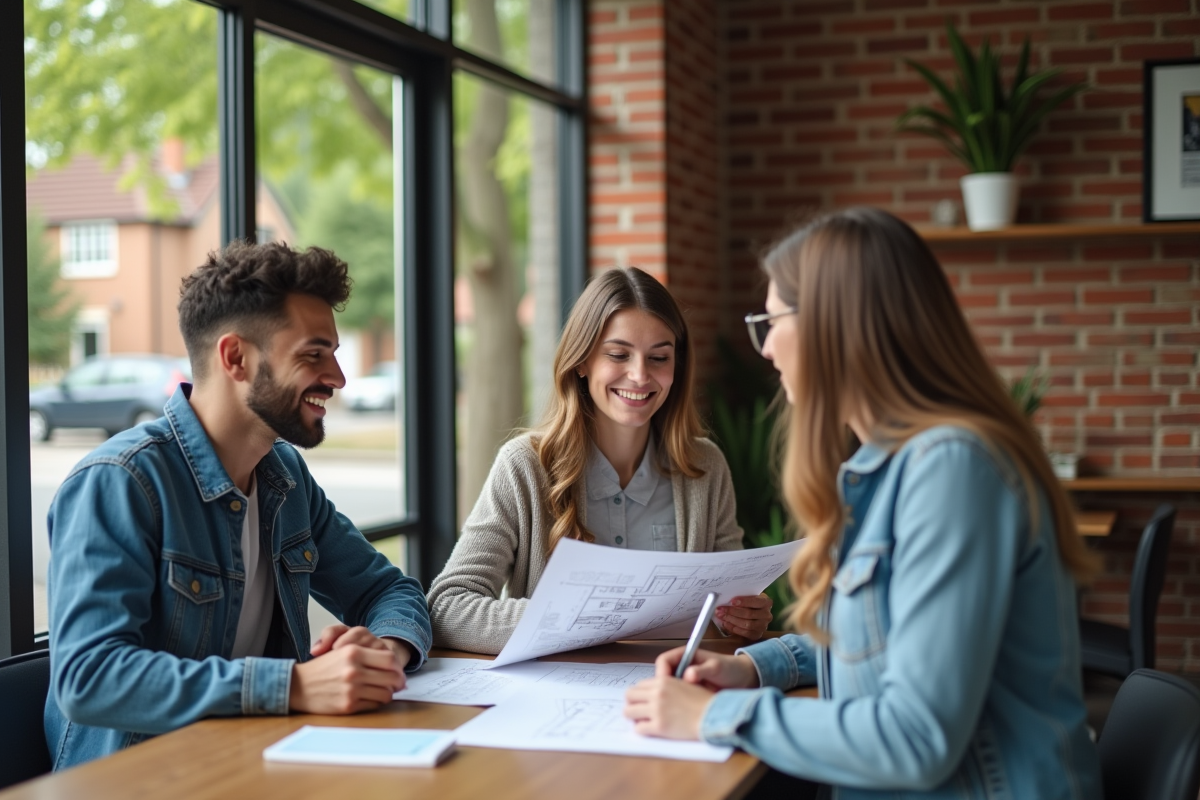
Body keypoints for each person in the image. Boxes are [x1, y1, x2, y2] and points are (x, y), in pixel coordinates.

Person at [623, 208, 1102, 799]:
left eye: (772, 322)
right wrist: (751, 667)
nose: (767, 349)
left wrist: (709, 719)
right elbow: (880, 641)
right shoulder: (895, 466)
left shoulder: (951, 471)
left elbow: (915, 737)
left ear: (836, 325)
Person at [45, 241, 431, 770]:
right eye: (313, 354)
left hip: (254, 763)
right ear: (235, 358)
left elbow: (388, 589)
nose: (338, 378)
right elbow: (90, 678)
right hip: (136, 781)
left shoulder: (284, 476)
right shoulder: (120, 481)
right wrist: (291, 685)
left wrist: (384, 652)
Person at [427, 267, 772, 654]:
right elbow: (447, 608)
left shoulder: (705, 466)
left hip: (671, 692)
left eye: (659, 357)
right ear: (582, 361)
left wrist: (743, 618)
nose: (640, 375)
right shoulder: (524, 465)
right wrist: (582, 620)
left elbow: (728, 603)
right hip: (556, 700)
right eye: (618, 354)